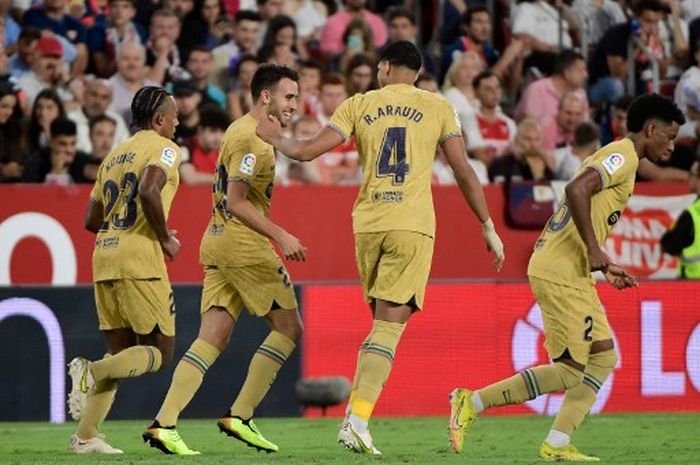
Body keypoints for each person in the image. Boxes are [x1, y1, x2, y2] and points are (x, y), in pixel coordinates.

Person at [255, 40, 505, 454]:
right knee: (389, 328)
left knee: (381, 327)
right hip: (411, 227)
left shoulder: (359, 104)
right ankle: (356, 421)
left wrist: (274, 137)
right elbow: (463, 170)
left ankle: (358, 415)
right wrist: (487, 224)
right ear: (418, 73)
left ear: (385, 67)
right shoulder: (439, 106)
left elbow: (306, 152)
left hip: (368, 226)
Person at [448, 93, 685, 461]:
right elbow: (576, 189)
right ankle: (471, 402)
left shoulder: (622, 158)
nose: (672, 146)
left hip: (574, 272)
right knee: (570, 371)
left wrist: (604, 264)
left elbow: (584, 197)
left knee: (603, 358)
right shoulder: (621, 156)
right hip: (561, 271)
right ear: (650, 129)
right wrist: (595, 252)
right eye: (669, 136)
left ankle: (557, 444)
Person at [143, 64, 305, 456]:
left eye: (296, 98)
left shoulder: (241, 130)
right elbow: (236, 202)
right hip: (243, 246)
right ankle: (242, 414)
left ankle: (164, 422)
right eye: (288, 96)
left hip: (215, 242)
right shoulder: (251, 138)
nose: (294, 105)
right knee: (288, 328)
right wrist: (281, 234)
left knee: (211, 337)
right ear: (265, 96)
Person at [66, 86, 182, 454]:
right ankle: (89, 372)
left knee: (119, 355)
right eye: (174, 115)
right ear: (160, 119)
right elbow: (149, 190)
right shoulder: (164, 148)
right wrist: (162, 236)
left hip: (105, 256)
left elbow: (91, 219)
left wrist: (130, 225)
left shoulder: (113, 156)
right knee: (159, 353)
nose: (178, 122)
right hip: (139, 260)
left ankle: (86, 436)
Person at [661, 153, 700, 278]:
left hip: (693, 284)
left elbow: (668, 244)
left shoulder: (693, 212)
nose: (689, 179)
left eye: (692, 175)